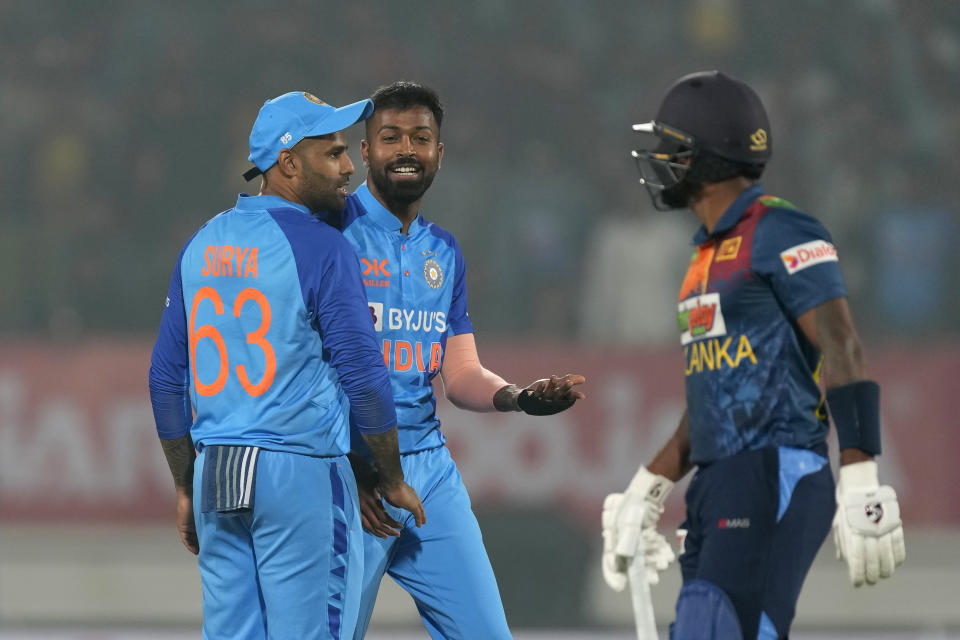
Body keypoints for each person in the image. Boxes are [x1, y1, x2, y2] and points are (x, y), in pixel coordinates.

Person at [600, 71, 906, 639]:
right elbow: (717, 394)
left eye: (671, 146)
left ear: (705, 155)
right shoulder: (702, 255)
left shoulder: (779, 226)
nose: (659, 159)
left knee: (715, 627)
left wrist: (861, 471)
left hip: (774, 468)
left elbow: (841, 342)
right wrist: (651, 483)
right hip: (720, 479)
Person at [148, 91, 425, 640]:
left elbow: (164, 380)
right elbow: (365, 378)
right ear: (288, 162)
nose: (350, 168)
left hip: (217, 470)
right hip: (296, 470)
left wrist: (185, 486)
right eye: (335, 154)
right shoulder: (321, 247)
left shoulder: (202, 243)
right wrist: (391, 477)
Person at [316, 81, 585, 639]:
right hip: (349, 472)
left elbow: (459, 372)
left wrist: (518, 397)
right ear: (365, 152)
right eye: (390, 138)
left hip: (429, 473)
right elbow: (298, 364)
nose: (406, 150)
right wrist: (350, 462)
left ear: (441, 153)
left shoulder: (444, 252)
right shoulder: (328, 232)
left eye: (421, 138)